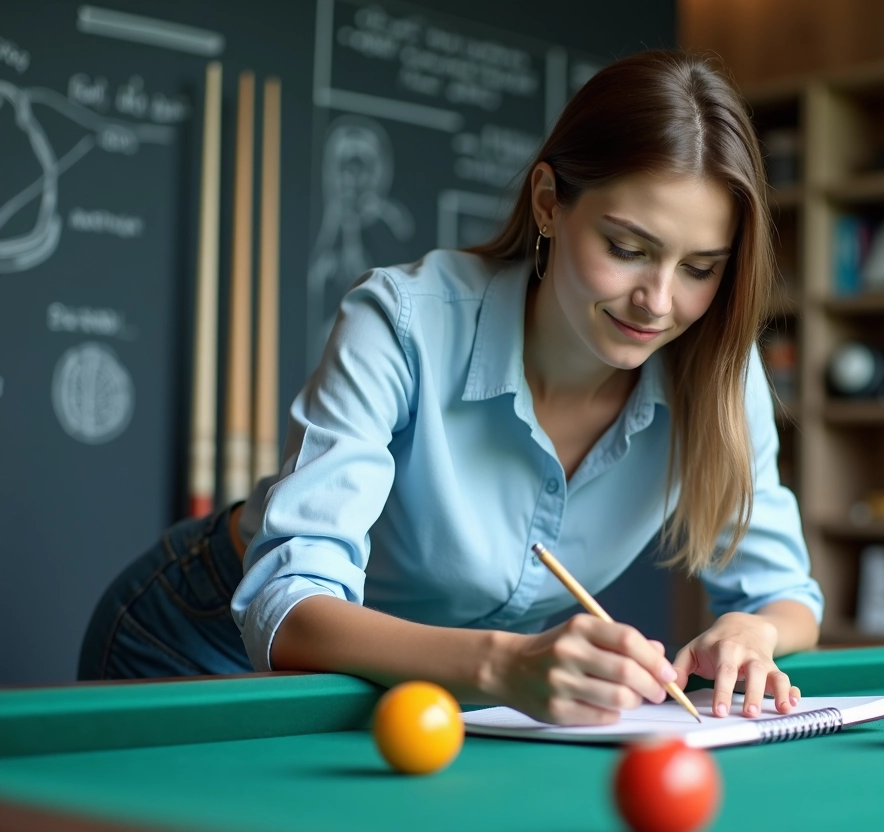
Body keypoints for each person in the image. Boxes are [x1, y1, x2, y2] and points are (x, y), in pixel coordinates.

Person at [78, 50, 824, 725]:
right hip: (201, 642)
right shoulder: (402, 321)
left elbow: (787, 598)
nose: (659, 302)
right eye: (627, 249)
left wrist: (751, 631)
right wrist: (504, 665)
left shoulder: (720, 371)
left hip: (442, 691)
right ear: (547, 203)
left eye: (700, 268)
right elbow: (289, 610)